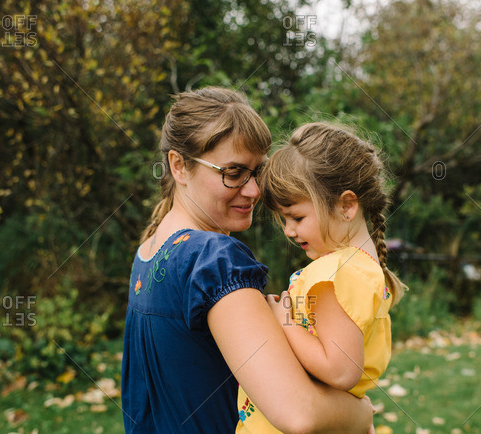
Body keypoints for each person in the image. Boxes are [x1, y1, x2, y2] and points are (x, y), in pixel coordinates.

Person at [121, 88, 374, 433]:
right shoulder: (213, 260)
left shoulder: (149, 251)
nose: (254, 190)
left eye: (257, 172)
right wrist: (362, 414)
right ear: (179, 166)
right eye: (233, 172)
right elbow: (301, 414)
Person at [236, 122, 407, 433]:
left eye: (297, 217)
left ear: (346, 205)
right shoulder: (357, 270)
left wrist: (282, 320)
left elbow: (340, 371)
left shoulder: (334, 274)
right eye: (284, 219)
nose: (289, 230)